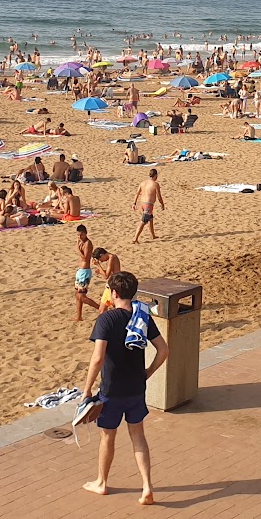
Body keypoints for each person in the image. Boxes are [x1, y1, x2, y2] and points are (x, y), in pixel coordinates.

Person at [79, 272, 168, 504]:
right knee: (138, 435)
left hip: (112, 390)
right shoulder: (143, 317)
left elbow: (97, 358)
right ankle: (147, 487)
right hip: (136, 388)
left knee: (108, 437)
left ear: (114, 293)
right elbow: (164, 350)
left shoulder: (106, 320)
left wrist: (87, 390)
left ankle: (101, 482)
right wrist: (147, 373)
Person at [75, 225, 101, 321]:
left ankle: (101, 308)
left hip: (85, 271)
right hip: (80, 271)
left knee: (82, 296)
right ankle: (79, 317)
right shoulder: (80, 242)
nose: (79, 237)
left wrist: (77, 249)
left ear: (85, 234)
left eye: (81, 235)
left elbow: (85, 258)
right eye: (78, 235)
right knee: (77, 295)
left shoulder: (88, 243)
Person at [132, 168, 165, 245]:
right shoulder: (155, 184)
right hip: (148, 205)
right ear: (156, 175)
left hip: (142, 203)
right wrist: (162, 204)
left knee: (150, 218)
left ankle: (153, 235)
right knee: (143, 221)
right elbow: (159, 197)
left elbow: (137, 193)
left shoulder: (143, 183)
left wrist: (134, 203)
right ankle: (135, 238)